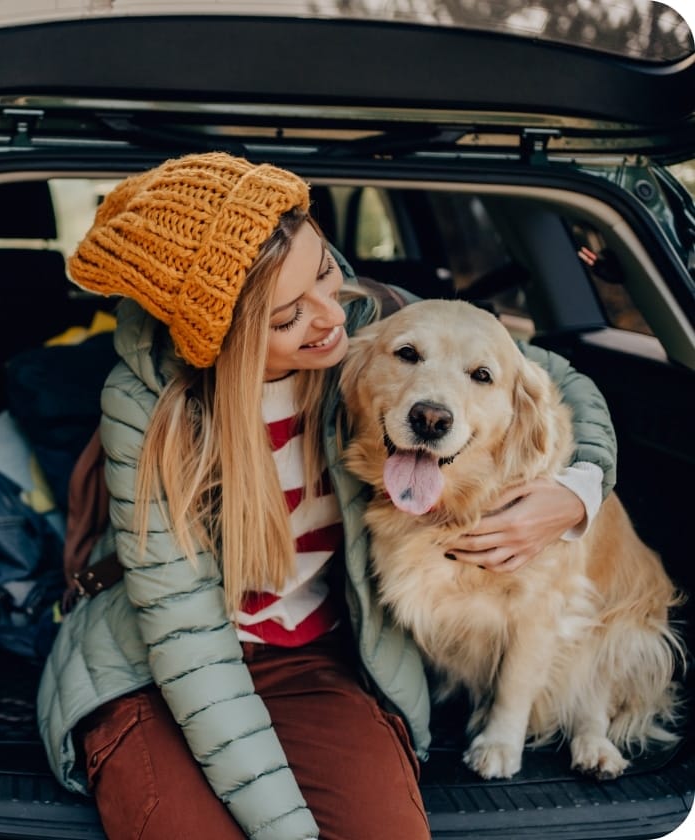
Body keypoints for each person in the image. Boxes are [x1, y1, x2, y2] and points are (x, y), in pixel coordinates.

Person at [37, 152, 616, 840]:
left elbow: (560, 382)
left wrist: (576, 495)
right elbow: (188, 641)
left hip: (320, 655)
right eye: (287, 317)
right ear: (222, 335)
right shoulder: (145, 407)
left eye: (322, 271)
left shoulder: (378, 328)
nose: (329, 317)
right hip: (161, 665)